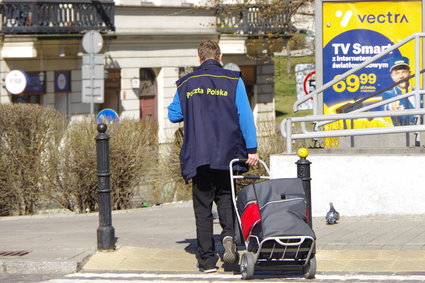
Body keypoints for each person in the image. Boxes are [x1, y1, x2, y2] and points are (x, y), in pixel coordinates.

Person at [167, 40, 259, 273]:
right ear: (220, 57)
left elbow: (173, 114)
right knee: (226, 198)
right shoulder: (232, 80)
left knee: (202, 208)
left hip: (198, 154)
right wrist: (252, 148)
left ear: (199, 59)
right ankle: (228, 236)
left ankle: (207, 261)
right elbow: (244, 115)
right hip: (227, 153)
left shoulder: (186, 82)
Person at [382, 56, 416, 126]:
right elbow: (385, 107)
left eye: (404, 72)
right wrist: (391, 106)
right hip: (402, 134)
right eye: (397, 73)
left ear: (409, 73)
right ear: (392, 77)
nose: (401, 76)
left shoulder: (421, 92)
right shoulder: (389, 94)